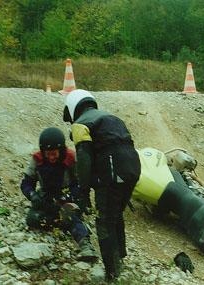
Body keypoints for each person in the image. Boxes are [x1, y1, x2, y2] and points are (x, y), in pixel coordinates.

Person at [62, 89, 141, 281]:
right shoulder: (110, 118)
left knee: (104, 220)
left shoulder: (80, 124)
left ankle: (112, 273)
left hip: (113, 172)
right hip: (133, 169)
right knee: (115, 215)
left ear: (73, 108)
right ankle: (120, 258)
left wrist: (83, 189)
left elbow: (84, 158)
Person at [20, 127, 98, 262]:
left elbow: (80, 184)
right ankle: (60, 223)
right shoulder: (37, 159)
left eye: (54, 154)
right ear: (43, 151)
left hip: (67, 196)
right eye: (48, 154)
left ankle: (86, 246)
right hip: (46, 197)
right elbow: (26, 183)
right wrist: (32, 195)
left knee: (71, 216)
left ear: (61, 151)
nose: (51, 157)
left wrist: (70, 197)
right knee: (32, 219)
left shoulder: (71, 158)